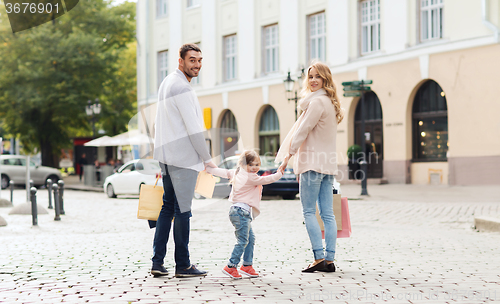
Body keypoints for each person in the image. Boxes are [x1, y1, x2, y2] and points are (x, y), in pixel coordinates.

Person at [152, 43, 217, 278]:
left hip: (167, 158)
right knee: (182, 211)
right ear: (180, 61)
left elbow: (160, 123)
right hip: (182, 159)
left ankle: (157, 262)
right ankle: (183, 265)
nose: (197, 65)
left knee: (167, 207)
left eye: (199, 60)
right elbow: (194, 130)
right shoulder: (182, 87)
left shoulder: (167, 82)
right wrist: (208, 159)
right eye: (192, 60)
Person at [277, 61, 344, 273]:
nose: (313, 80)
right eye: (311, 76)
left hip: (312, 164)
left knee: (308, 211)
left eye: (318, 76)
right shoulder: (331, 103)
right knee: (327, 214)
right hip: (327, 165)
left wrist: (289, 154)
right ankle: (330, 259)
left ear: (325, 79)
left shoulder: (316, 103)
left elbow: (303, 131)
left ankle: (318, 258)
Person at [206, 150, 283, 279]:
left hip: (237, 211)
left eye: (257, 164)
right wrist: (279, 173)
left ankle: (247, 266)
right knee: (242, 241)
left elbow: (221, 172)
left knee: (250, 239)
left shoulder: (236, 173)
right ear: (242, 164)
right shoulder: (250, 177)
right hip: (241, 213)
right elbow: (267, 179)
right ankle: (231, 266)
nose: (254, 168)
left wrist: (208, 168)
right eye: (251, 165)